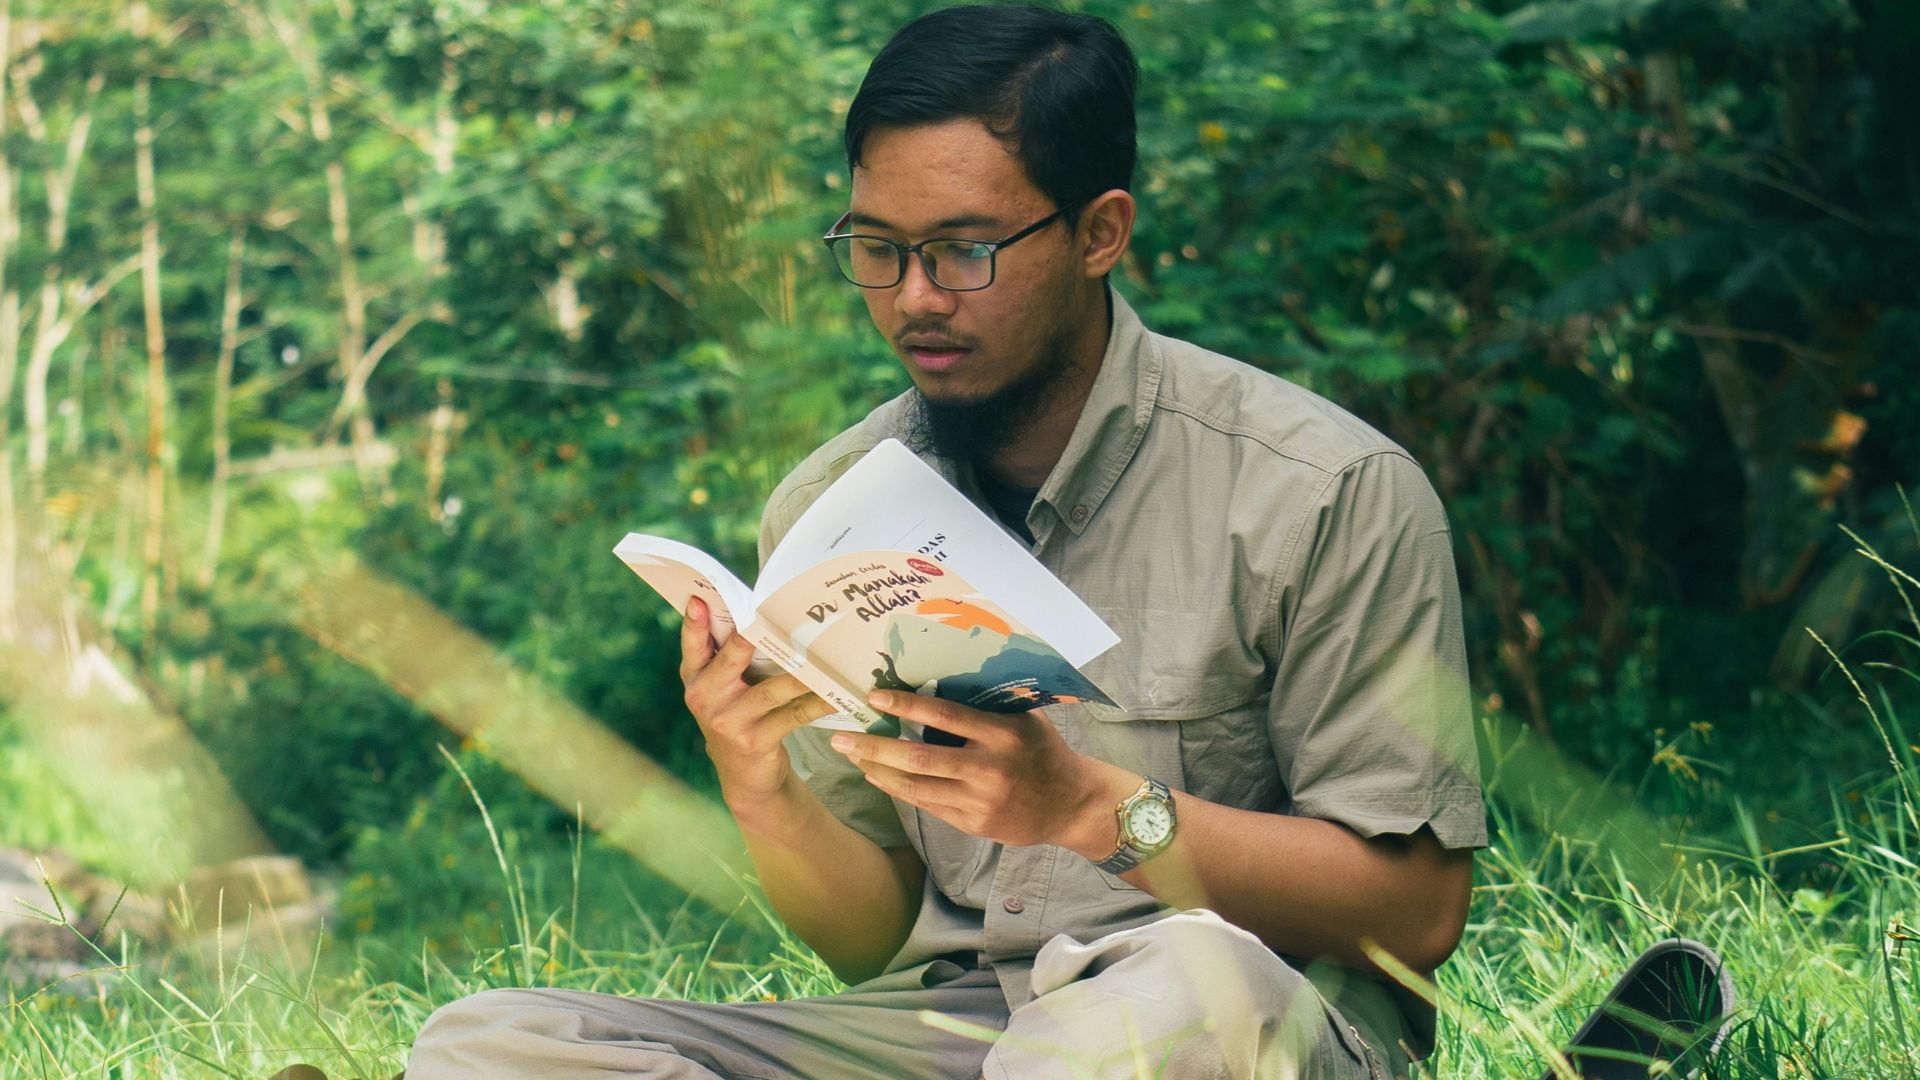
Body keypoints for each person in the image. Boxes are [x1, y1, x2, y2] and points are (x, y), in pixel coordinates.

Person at [407, 5, 1484, 1077]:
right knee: (489, 1047)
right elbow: (876, 941)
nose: (914, 299)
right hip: (960, 1033)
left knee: (1177, 1006)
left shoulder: (1322, 493)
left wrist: (1093, 811)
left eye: (965, 250)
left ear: (1101, 233)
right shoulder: (831, 508)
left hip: (1238, 1019)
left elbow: (1419, 911)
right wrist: (758, 785)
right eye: (877, 248)